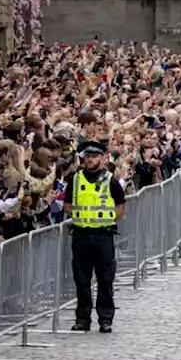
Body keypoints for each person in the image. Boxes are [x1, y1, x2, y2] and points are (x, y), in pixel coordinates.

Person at [63, 141, 125, 333]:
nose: (90, 160)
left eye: (94, 156)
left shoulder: (110, 180)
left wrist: (103, 221)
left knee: (105, 278)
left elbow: (120, 209)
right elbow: (67, 206)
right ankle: (83, 318)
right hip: (81, 235)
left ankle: (105, 318)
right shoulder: (75, 179)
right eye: (87, 157)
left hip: (102, 236)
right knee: (81, 279)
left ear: (102, 158)